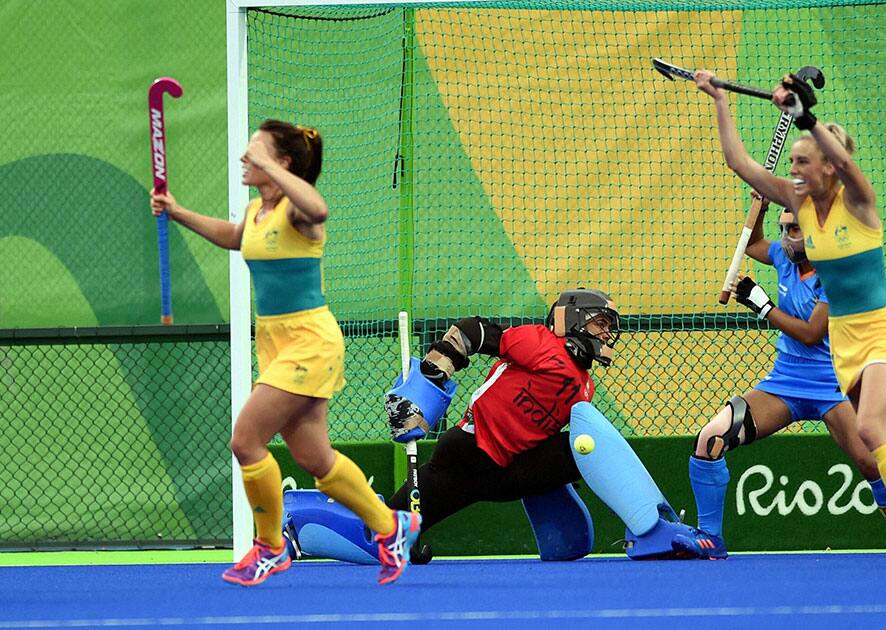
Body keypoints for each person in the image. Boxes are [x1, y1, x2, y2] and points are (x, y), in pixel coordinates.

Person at [691, 69, 886, 565]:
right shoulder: (797, 205)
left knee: (870, 431)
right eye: (793, 161)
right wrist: (718, 99)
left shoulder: (860, 203)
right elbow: (739, 162)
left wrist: (806, 116)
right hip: (845, 341)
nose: (795, 169)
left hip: (884, 328)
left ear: (828, 166)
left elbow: (844, 158)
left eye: (804, 161)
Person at [150, 119, 420, 586]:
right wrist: (176, 211)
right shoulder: (259, 211)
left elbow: (319, 206)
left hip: (310, 341)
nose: (243, 158)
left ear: (283, 163)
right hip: (275, 342)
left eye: (254, 151)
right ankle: (391, 525)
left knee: (245, 440)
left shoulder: (299, 214)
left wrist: (276, 171)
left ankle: (271, 547)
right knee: (316, 459)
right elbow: (233, 237)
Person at [672, 197, 886, 560]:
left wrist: (762, 306)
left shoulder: (835, 275)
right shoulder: (783, 256)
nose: (785, 238)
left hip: (835, 382)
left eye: (793, 229)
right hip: (785, 382)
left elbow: (812, 333)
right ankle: (710, 539)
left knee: (872, 462)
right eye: (782, 229)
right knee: (711, 438)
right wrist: (760, 208)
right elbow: (752, 244)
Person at [382, 289, 620, 542]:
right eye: (601, 323)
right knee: (383, 533)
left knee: (584, 444)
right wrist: (432, 375)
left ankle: (641, 525)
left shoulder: (586, 387)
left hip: (509, 472)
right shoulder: (540, 342)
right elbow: (470, 331)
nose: (606, 334)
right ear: (574, 318)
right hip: (468, 455)